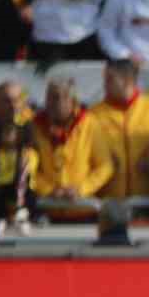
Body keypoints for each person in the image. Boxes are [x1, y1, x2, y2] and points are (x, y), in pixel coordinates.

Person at [87, 59, 149, 198]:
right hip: (107, 204)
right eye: (105, 79)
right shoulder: (92, 115)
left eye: (110, 79)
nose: (104, 84)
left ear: (128, 81)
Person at [30, 76, 113, 204]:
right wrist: (49, 190)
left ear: (74, 101)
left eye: (63, 97)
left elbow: (105, 166)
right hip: (46, 208)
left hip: (83, 208)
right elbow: (28, 169)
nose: (56, 103)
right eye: (51, 97)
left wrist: (81, 189)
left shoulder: (89, 124)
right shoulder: (34, 126)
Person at [0, 116, 39, 241]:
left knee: (29, 196)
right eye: (4, 132)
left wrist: (24, 165)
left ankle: (24, 219)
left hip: (20, 187)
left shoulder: (27, 153)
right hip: (1, 187)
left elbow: (30, 170)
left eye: (10, 131)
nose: (7, 135)